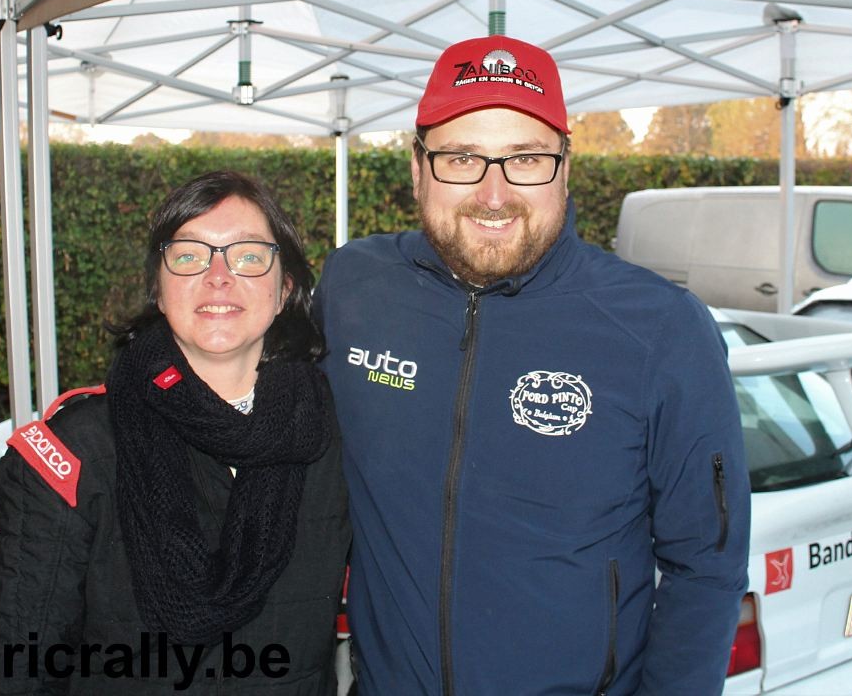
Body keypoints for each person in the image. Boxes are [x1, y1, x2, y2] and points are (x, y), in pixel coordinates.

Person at [315, 37, 750, 695]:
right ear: (416, 167)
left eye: (525, 159)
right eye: (462, 157)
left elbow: (707, 569)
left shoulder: (660, 328)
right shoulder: (355, 288)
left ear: (566, 167)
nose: (495, 195)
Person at [0, 170, 349, 695]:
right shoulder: (78, 448)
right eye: (189, 255)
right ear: (158, 286)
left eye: (247, 256)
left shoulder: (333, 433)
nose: (218, 276)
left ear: (285, 286)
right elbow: (22, 666)